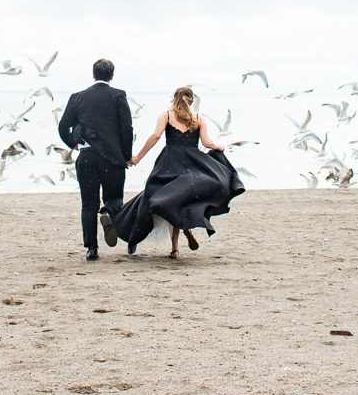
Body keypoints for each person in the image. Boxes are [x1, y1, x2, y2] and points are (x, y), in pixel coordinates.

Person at [110, 85, 245, 259]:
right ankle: (179, 242)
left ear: (174, 99)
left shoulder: (166, 115)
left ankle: (134, 237)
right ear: (192, 100)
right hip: (192, 164)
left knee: (151, 197)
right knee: (181, 201)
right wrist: (218, 147)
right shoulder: (198, 118)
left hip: (169, 163)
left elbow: (155, 137)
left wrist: (138, 157)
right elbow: (206, 142)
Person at [58, 58, 135, 261]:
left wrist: (73, 144)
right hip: (112, 159)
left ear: (93, 74)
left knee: (88, 204)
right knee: (114, 199)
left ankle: (91, 249)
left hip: (87, 158)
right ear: (111, 76)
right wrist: (126, 155)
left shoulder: (78, 97)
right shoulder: (118, 96)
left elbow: (63, 126)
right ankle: (108, 214)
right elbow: (127, 129)